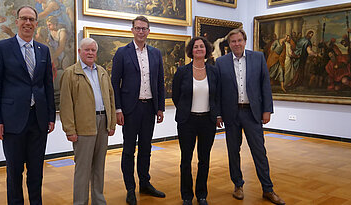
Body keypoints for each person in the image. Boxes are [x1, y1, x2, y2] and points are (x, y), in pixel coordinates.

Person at [0, 6, 55, 205]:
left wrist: (51, 116)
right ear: (16, 21)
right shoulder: (1, 48)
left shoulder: (44, 50)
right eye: (24, 18)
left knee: (36, 171)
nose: (28, 23)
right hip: (12, 121)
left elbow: (47, 86)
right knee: (15, 171)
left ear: (36, 23)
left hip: (39, 120)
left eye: (31, 19)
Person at [216, 28, 285, 205]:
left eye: (239, 40)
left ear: (245, 41)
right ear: (229, 44)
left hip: (252, 113)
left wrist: (267, 110)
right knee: (233, 152)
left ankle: (268, 189)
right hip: (231, 114)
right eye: (233, 41)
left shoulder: (258, 57)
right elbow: (217, 91)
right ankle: (238, 185)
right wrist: (217, 114)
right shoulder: (221, 62)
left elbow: (265, 85)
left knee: (259, 152)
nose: (236, 44)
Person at [111, 15, 166, 205]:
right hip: (130, 110)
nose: (141, 31)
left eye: (144, 28)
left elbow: (159, 81)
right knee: (128, 150)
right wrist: (118, 109)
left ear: (149, 31)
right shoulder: (122, 53)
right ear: (132, 30)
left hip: (149, 108)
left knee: (146, 148)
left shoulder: (155, 53)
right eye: (138, 28)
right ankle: (130, 189)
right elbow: (114, 84)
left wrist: (160, 107)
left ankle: (145, 183)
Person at [59, 38, 116, 205]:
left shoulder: (103, 72)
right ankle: (80, 202)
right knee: (83, 169)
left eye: (93, 50)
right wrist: (70, 129)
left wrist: (111, 123)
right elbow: (66, 104)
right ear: (79, 52)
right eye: (87, 50)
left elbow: (111, 98)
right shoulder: (70, 73)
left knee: (99, 167)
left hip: (103, 123)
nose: (90, 53)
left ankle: (99, 200)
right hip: (83, 126)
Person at [172, 36, 223, 205]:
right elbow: (176, 96)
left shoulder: (214, 71)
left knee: (204, 159)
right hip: (187, 122)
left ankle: (202, 194)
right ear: (191, 51)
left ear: (206, 50)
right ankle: (187, 196)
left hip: (207, 121)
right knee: (186, 160)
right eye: (195, 47)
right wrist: (185, 110)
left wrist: (217, 115)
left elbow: (217, 97)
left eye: (202, 46)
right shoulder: (182, 71)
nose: (199, 49)